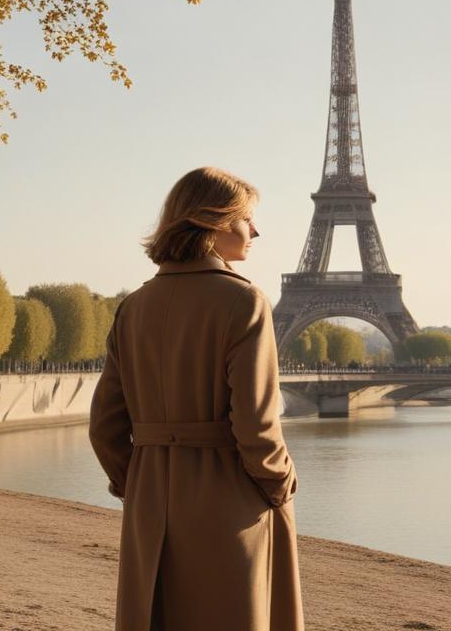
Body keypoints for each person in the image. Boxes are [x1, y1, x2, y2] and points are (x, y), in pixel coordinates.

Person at [90, 166, 303, 630]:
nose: (256, 230)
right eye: (248, 219)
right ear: (216, 220)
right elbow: (256, 423)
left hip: (150, 500)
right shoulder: (244, 301)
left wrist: (138, 484)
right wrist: (280, 483)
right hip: (228, 500)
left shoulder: (133, 307)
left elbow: (105, 427)